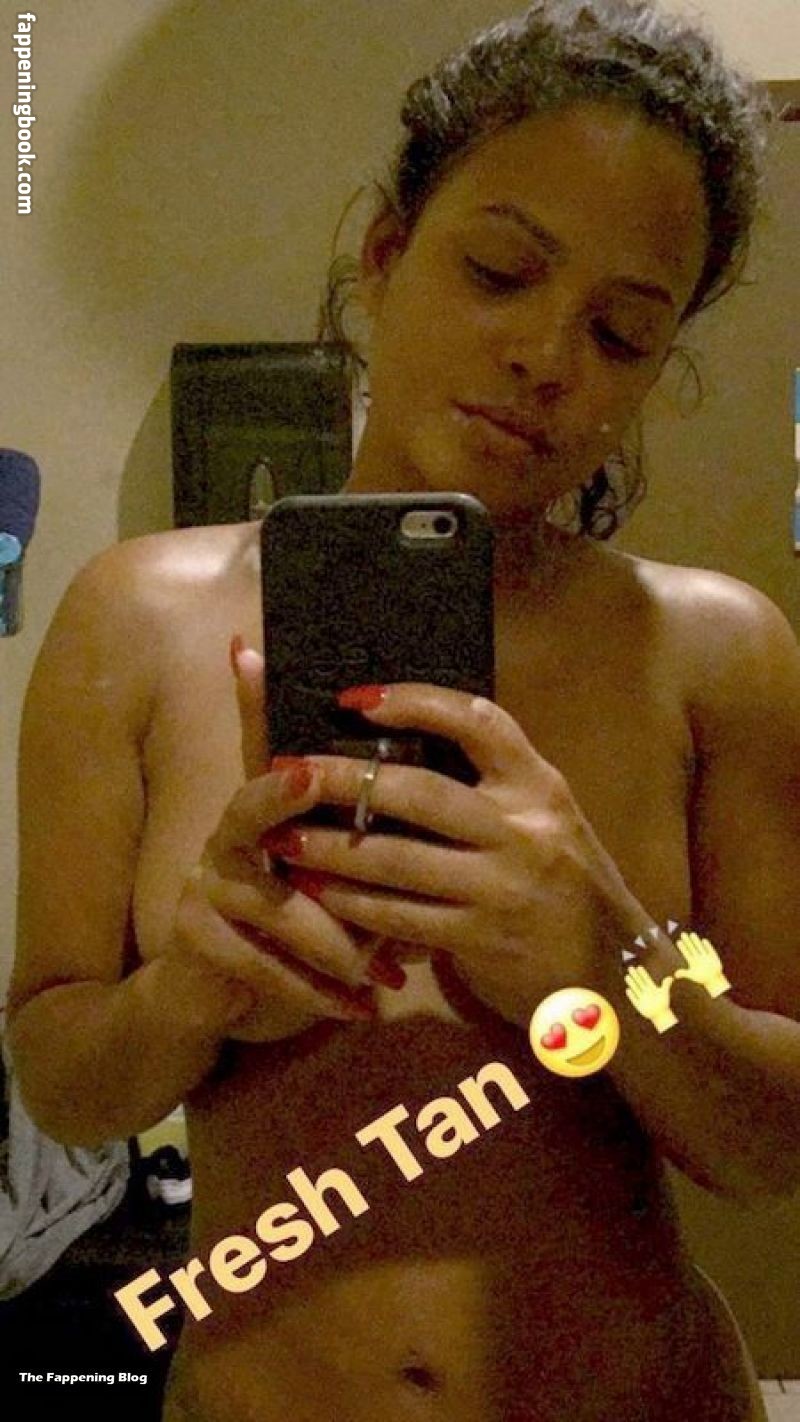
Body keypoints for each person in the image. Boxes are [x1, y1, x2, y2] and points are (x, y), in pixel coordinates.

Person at [7, 2, 800, 1417]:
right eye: (500, 271)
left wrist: (605, 952)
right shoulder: (135, 619)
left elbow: (774, 1145)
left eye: (622, 332)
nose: (547, 355)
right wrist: (191, 992)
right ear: (385, 253)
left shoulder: (713, 652)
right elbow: (61, 1082)